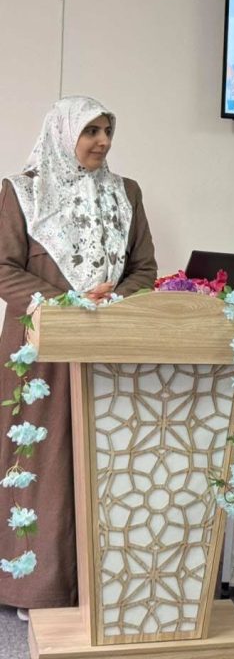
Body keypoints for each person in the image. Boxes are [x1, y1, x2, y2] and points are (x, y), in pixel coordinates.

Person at [0, 97, 157, 615]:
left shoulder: (126, 193)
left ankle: (96, 589)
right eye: (91, 131)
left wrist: (110, 301)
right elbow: (3, 267)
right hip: (40, 349)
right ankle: (34, 588)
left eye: (107, 130)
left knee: (103, 463)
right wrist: (67, 303)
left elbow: (144, 269)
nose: (103, 141)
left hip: (106, 346)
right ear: (64, 134)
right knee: (42, 462)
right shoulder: (21, 191)